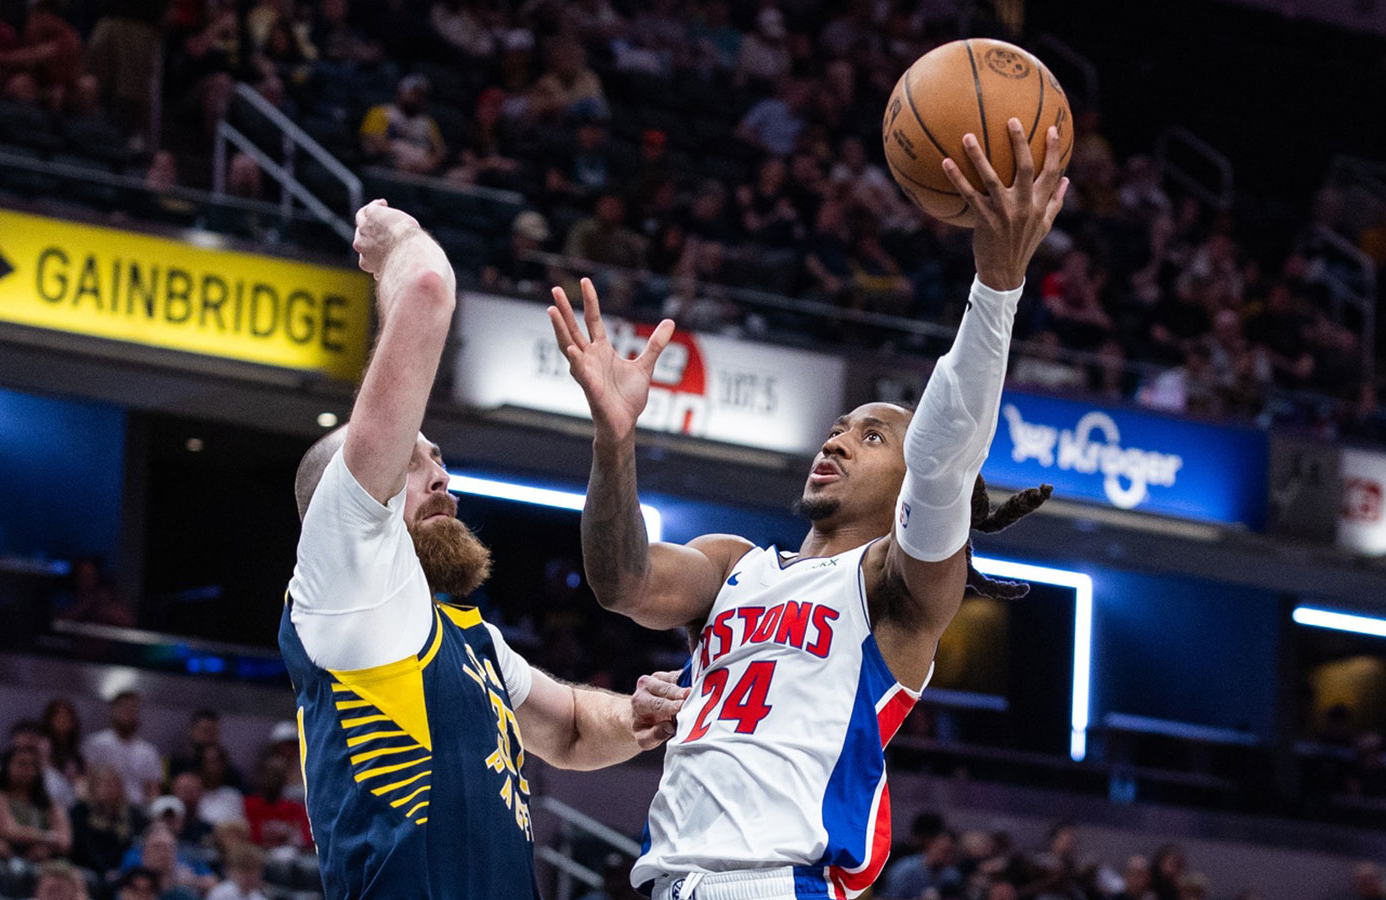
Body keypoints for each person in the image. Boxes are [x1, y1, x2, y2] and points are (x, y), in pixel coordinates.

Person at [549, 119, 1065, 898]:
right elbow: (621, 583)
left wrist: (996, 288)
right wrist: (615, 441)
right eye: (834, 430)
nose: (838, 442)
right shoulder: (733, 565)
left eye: (871, 435)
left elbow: (945, 454)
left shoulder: (896, 589)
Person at [281, 199, 687, 900]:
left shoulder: (466, 640)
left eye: (440, 459)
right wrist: (396, 240)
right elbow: (427, 290)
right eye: (412, 462)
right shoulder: (345, 573)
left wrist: (641, 716)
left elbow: (571, 731)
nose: (441, 474)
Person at [0, 745, 72, 861]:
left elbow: (65, 841)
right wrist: (48, 838)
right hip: (7, 857)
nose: (28, 769)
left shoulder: (49, 803)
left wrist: (46, 848)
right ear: (7, 766)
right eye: (22, 764)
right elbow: (8, 831)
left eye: (33, 765)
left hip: (47, 859)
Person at [83, 691, 163, 806]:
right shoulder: (96, 743)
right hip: (101, 806)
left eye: (132, 709)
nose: (128, 714)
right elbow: (87, 779)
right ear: (113, 711)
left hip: (136, 809)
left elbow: (153, 789)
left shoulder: (149, 751)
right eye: (124, 708)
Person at [69, 765, 146, 880]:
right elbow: (84, 846)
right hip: (88, 867)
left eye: (114, 784)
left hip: (122, 869)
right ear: (93, 787)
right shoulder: (81, 811)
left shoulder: (131, 814)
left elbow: (133, 845)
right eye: (104, 784)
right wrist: (104, 871)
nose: (109, 789)